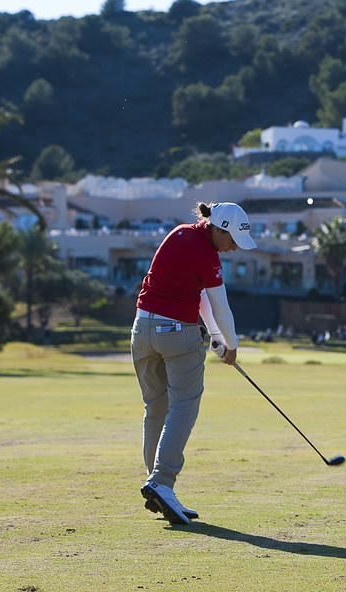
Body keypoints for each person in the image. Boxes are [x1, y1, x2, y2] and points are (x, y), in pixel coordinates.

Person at [131, 201, 256, 525]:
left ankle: (157, 487)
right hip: (176, 334)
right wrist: (232, 345)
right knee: (184, 405)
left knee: (156, 408)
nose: (231, 250)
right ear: (218, 229)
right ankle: (162, 481)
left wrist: (215, 337)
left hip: (141, 330)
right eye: (231, 241)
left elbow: (197, 297)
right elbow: (220, 306)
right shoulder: (206, 253)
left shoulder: (179, 234)